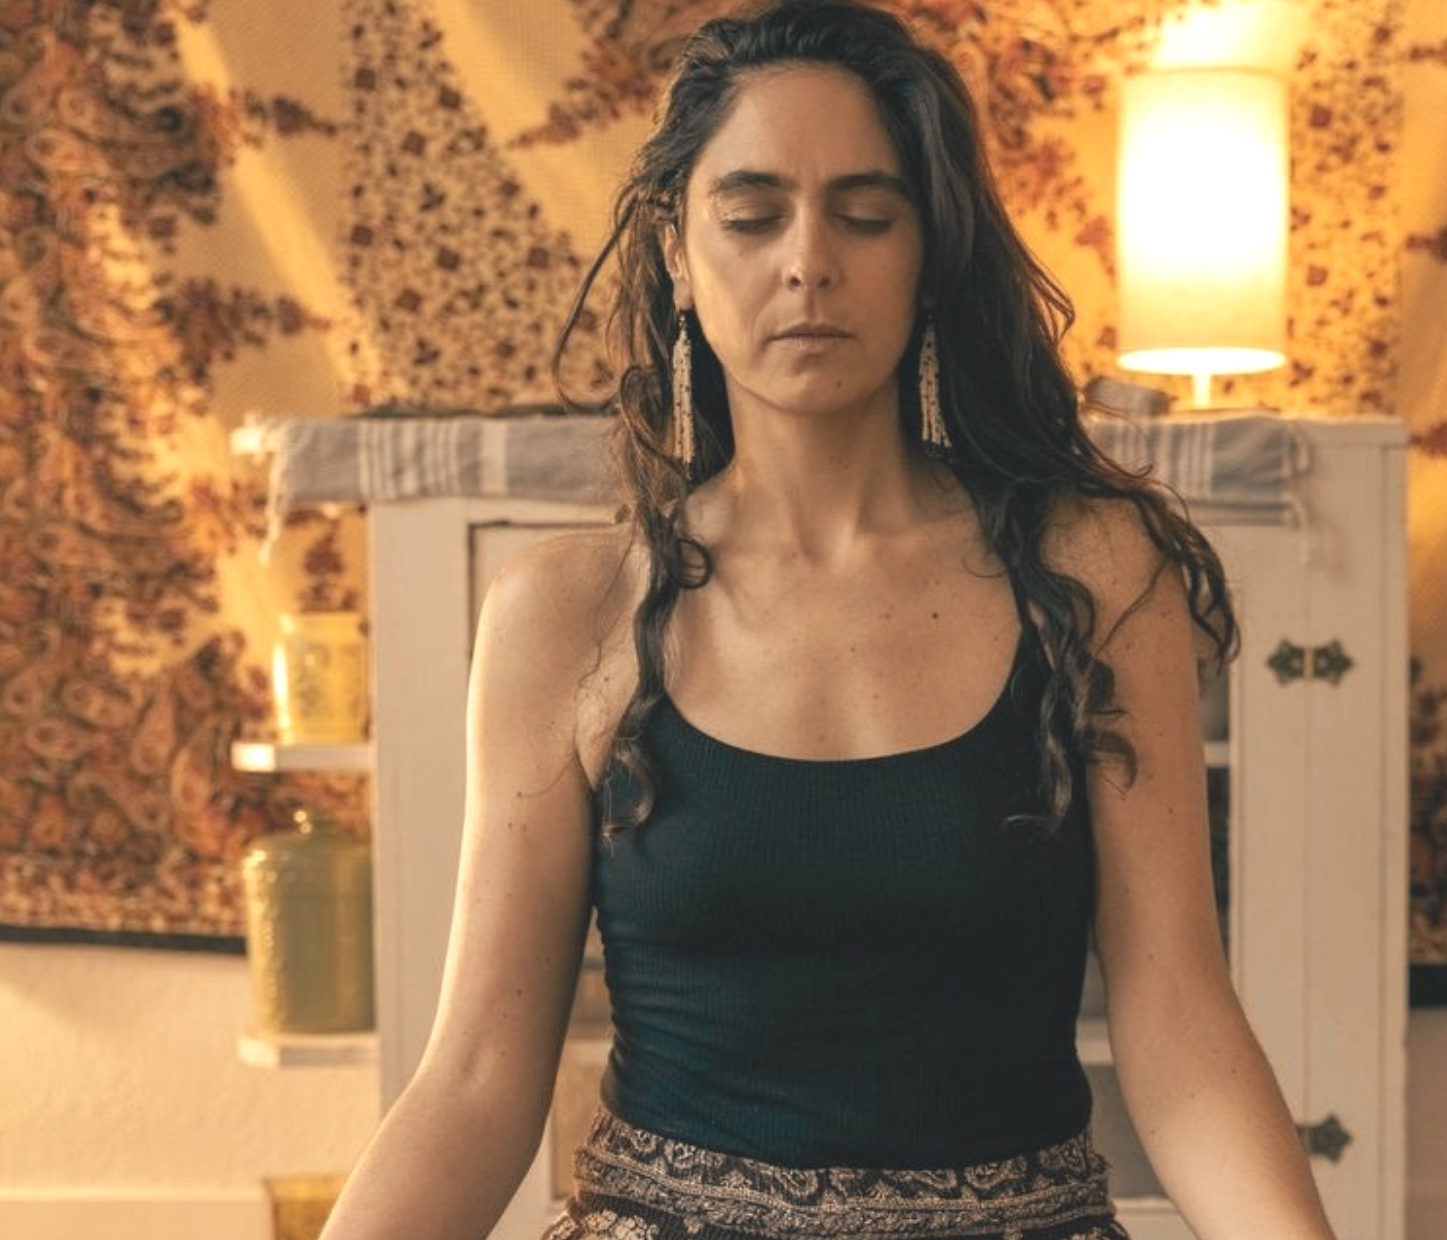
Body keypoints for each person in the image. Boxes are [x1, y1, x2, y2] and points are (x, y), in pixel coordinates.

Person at [319, 2, 1341, 1238]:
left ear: (929, 255)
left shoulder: (1092, 574)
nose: (809, 260)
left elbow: (1179, 1018)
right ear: (679, 260)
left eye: (866, 214)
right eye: (752, 217)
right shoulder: (566, 611)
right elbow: (477, 1081)